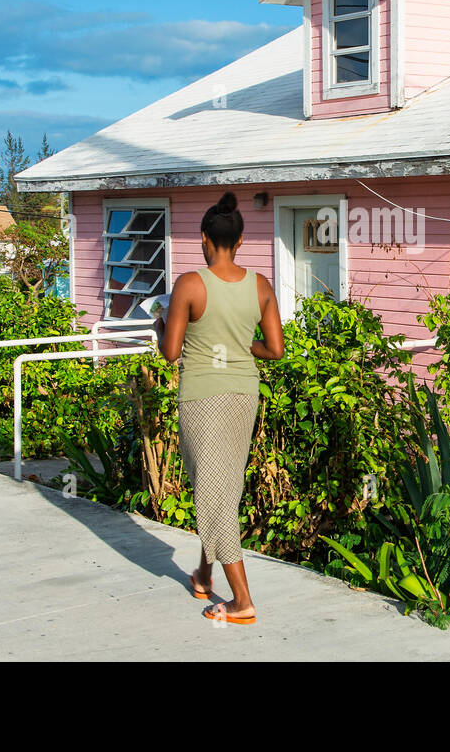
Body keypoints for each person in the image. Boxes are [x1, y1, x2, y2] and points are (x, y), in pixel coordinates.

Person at [157, 191, 284, 625]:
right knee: (221, 490)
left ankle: (242, 601)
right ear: (241, 240)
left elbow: (171, 353)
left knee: (213, 497)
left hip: (203, 397)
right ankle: (204, 574)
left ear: (205, 241)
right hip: (243, 395)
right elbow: (275, 350)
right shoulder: (260, 285)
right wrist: (238, 343)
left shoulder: (191, 284)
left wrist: (160, 325)